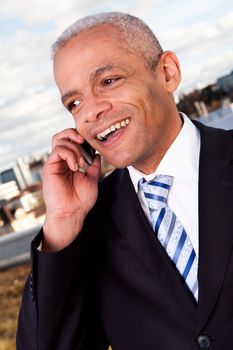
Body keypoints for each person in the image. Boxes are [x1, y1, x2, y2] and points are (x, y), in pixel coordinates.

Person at [17, 12, 233, 350]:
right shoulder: (87, 228)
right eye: (74, 102)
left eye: (108, 81)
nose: (90, 112)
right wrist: (61, 224)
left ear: (167, 72)